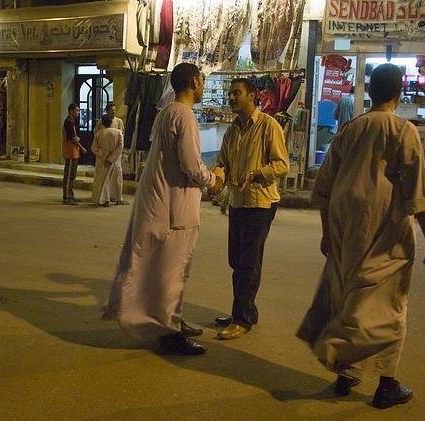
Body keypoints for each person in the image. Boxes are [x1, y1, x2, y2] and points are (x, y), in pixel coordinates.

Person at [296, 64, 425, 409]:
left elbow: (325, 185)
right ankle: (386, 382)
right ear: (400, 91)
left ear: (370, 92)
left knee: (348, 298)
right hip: (387, 234)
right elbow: (418, 195)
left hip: (346, 230)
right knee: (389, 308)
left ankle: (347, 371)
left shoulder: (351, 129)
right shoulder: (403, 131)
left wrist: (326, 233)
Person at [104, 63, 220, 355]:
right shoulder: (184, 115)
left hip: (161, 203)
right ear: (194, 82)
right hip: (174, 209)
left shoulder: (167, 111)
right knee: (173, 272)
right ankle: (170, 333)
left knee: (169, 271)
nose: (203, 86)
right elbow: (191, 164)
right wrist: (213, 179)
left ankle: (174, 322)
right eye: (202, 81)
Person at [212, 78, 290, 340]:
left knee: (248, 263)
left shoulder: (269, 126)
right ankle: (245, 310)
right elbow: (222, 162)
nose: (231, 97)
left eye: (237, 93)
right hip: (237, 201)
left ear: (253, 95)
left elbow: (282, 165)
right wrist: (218, 177)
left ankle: (241, 319)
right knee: (236, 260)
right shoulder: (232, 130)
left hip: (260, 202)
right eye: (230, 93)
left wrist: (258, 174)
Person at [91, 114, 128, 206]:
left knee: (104, 180)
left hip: (103, 160)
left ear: (102, 123)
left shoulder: (99, 134)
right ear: (111, 122)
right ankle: (118, 198)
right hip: (115, 160)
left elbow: (94, 148)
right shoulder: (118, 133)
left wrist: (104, 155)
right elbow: (120, 147)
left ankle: (105, 199)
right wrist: (112, 157)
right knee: (117, 180)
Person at [62, 103, 86, 205]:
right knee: (68, 175)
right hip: (70, 151)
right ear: (71, 111)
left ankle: (71, 195)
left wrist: (78, 139)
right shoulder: (68, 121)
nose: (78, 112)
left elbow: (75, 137)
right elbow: (72, 138)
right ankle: (66, 197)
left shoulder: (72, 121)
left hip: (74, 151)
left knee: (72, 175)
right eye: (77, 110)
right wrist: (82, 147)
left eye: (79, 110)